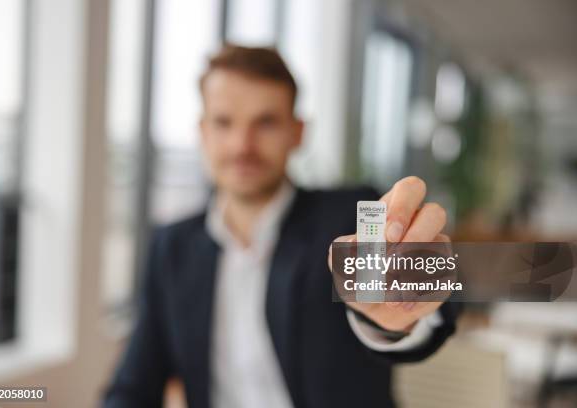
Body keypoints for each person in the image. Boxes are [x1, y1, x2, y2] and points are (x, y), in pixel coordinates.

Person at [104, 45, 459, 408]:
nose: (243, 145)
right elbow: (133, 388)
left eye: (266, 123)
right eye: (224, 122)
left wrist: (401, 314)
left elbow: (428, 304)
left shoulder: (350, 219)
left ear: (297, 132)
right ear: (203, 132)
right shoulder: (172, 248)